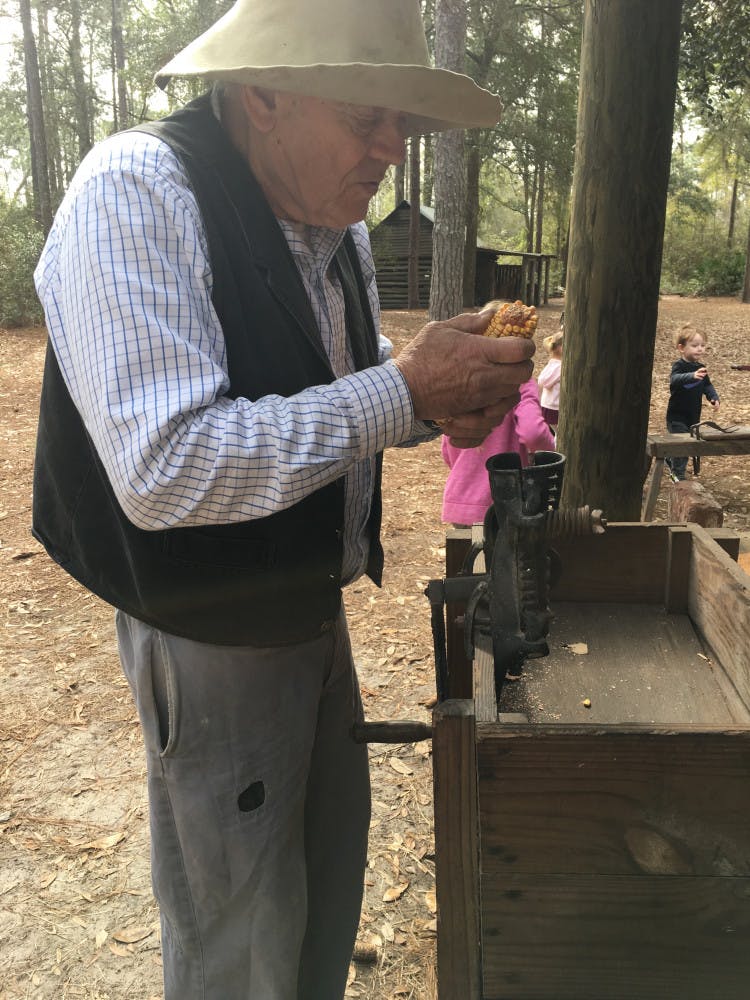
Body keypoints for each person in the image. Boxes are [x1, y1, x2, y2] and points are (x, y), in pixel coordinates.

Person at [31, 1, 535, 997]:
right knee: (240, 939)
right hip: (208, 634)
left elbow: (319, 387)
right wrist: (404, 390)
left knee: (318, 884)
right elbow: (167, 465)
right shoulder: (134, 192)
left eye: (401, 121)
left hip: (305, 610)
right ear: (262, 95)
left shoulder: (325, 227)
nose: (393, 148)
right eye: (365, 117)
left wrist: (440, 396)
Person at [441, 376, 556, 527]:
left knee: (468, 550)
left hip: (461, 501)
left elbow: (447, 446)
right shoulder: (519, 384)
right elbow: (533, 433)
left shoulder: (458, 384)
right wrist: (553, 452)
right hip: (509, 505)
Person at [666, 325, 720, 480]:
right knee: (682, 445)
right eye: (695, 345)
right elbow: (674, 380)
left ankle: (671, 461)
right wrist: (691, 375)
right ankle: (678, 476)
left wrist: (713, 398)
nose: (700, 349)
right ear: (681, 348)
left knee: (687, 446)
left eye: (703, 345)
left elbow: (707, 385)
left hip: (693, 416)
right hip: (676, 416)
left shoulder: (701, 367)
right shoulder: (679, 366)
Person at [537, 330, 563, 433]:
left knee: (557, 434)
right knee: (560, 435)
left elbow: (541, 380)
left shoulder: (552, 363)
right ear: (562, 348)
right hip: (554, 408)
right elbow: (544, 382)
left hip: (547, 406)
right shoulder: (560, 367)